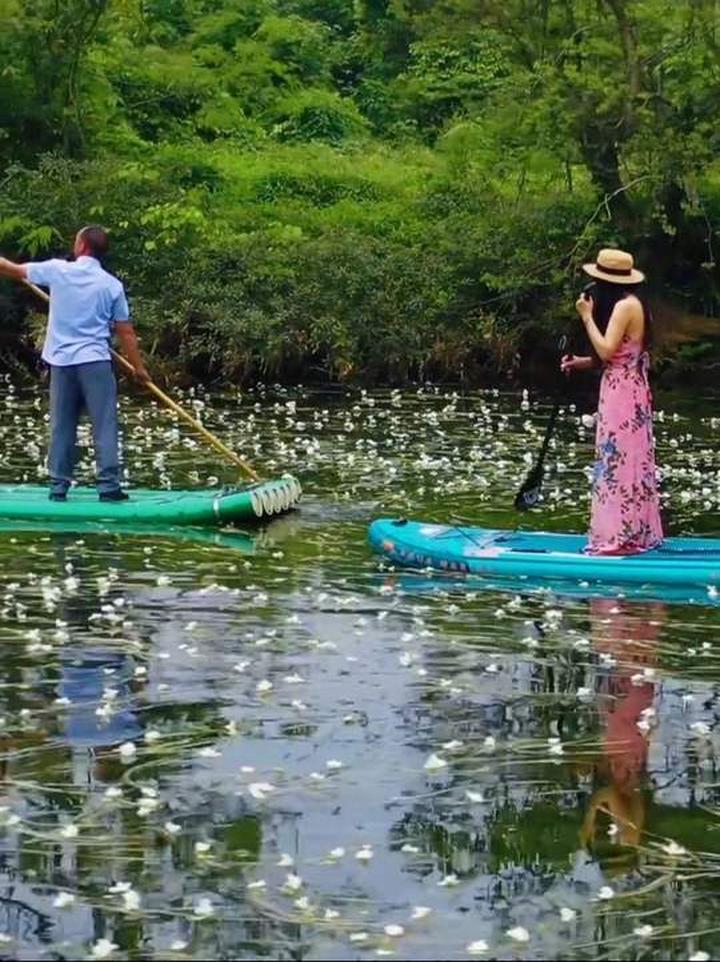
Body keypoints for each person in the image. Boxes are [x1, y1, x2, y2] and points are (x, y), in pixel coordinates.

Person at [0, 226, 149, 501]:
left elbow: (14, 270)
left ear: (81, 246)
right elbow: (125, 331)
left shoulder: (59, 271)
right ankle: (108, 487)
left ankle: (59, 486)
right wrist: (138, 368)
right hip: (95, 362)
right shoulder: (111, 285)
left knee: (62, 424)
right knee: (104, 424)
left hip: (62, 362)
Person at [560, 248, 663, 555]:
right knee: (628, 458)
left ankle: (620, 537)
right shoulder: (634, 304)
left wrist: (587, 317)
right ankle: (634, 532)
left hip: (622, 393)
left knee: (618, 461)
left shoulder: (624, 307)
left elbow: (606, 351)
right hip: (627, 387)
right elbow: (618, 355)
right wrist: (579, 362)